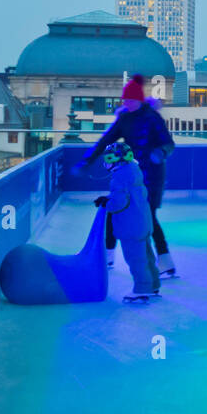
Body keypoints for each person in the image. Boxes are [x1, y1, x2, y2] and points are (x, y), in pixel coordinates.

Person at [74, 74, 177, 276]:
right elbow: (105, 141)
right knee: (115, 210)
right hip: (131, 175)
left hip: (153, 176)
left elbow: (169, 143)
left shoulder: (152, 118)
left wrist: (160, 152)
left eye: (130, 100)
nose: (127, 103)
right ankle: (108, 256)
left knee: (149, 219)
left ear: (138, 100)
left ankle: (165, 261)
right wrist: (87, 160)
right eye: (125, 100)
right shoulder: (125, 119)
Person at [95, 141, 159, 303]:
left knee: (135, 258)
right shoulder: (133, 171)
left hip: (130, 226)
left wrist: (107, 204)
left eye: (109, 159)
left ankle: (142, 289)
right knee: (147, 255)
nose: (106, 163)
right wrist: (108, 198)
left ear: (118, 160)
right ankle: (153, 284)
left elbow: (119, 203)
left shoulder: (119, 177)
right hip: (143, 222)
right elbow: (128, 195)